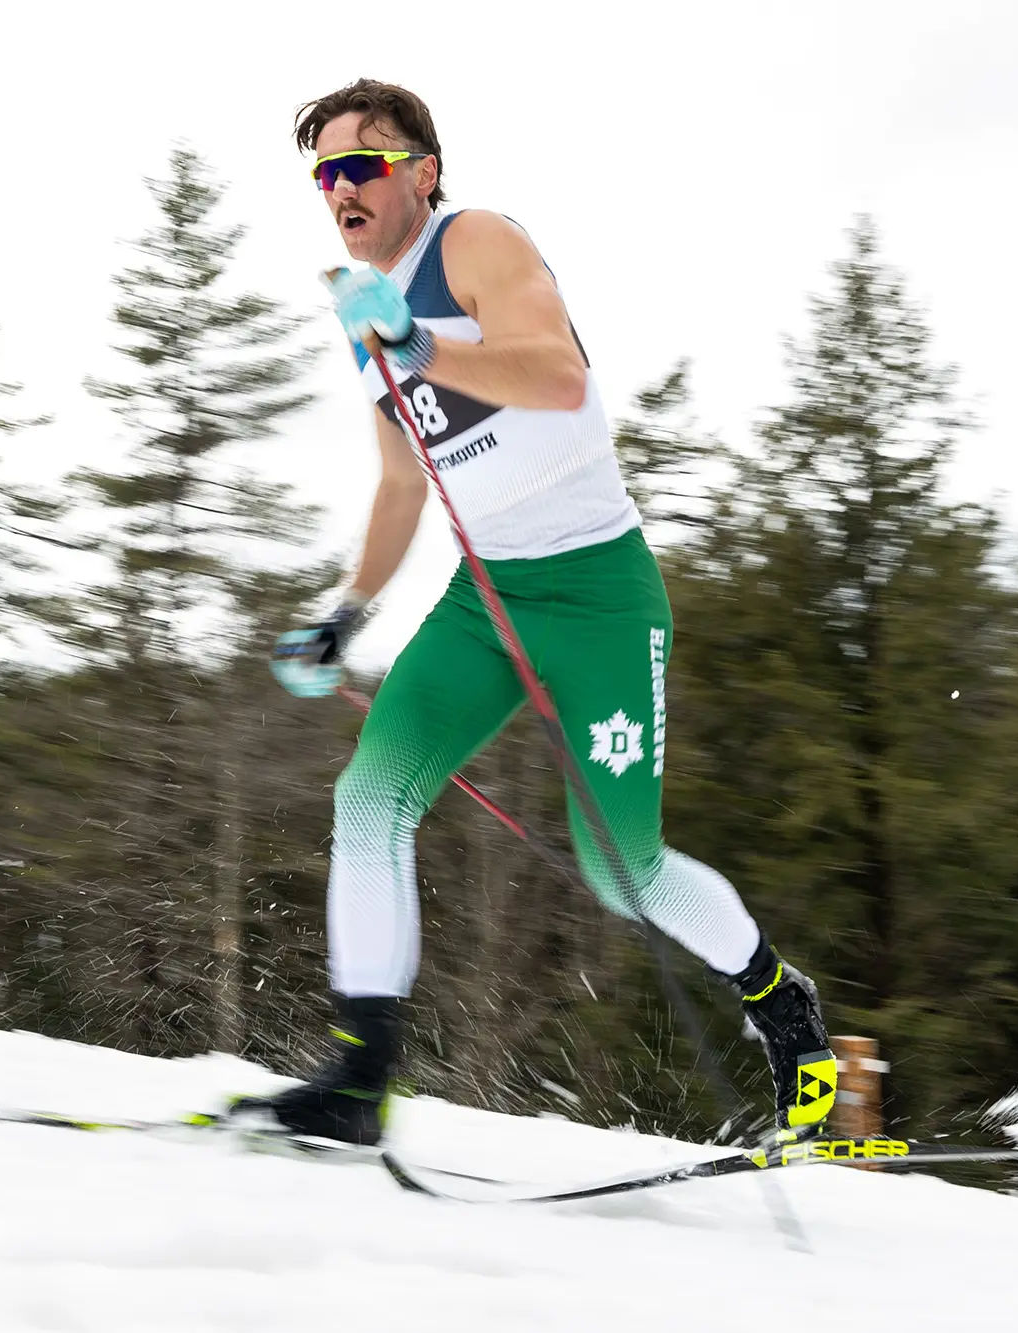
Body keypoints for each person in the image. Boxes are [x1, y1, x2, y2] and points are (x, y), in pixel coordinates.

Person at [228, 79, 836, 1149]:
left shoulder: (474, 242)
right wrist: (346, 612)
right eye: (323, 176)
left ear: (421, 172)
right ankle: (359, 1079)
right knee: (368, 798)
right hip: (488, 599)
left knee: (621, 870)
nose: (339, 190)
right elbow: (403, 482)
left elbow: (559, 379)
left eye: (360, 165)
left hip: (599, 597)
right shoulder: (364, 313)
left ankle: (781, 1003)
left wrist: (417, 344)